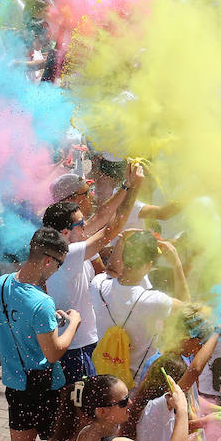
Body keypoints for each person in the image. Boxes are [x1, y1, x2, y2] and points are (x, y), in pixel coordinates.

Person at [0, 227, 80, 441]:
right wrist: (73, 322)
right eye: (59, 264)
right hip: (44, 388)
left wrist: (49, 322)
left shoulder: (1, 284)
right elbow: (53, 352)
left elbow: (19, 323)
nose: (58, 270)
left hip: (16, 385)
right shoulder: (42, 303)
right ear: (47, 260)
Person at [41, 163, 141, 382]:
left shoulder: (62, 243)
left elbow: (103, 216)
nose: (86, 225)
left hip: (79, 343)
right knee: (80, 410)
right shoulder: (67, 254)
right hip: (75, 349)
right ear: (66, 231)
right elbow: (111, 228)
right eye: (81, 223)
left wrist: (125, 186)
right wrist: (134, 188)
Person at [90, 230, 188, 386]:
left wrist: (121, 240)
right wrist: (176, 265)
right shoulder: (155, 301)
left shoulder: (98, 285)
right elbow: (187, 309)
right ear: (149, 265)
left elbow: (111, 271)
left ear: (123, 256)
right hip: (135, 387)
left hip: (102, 382)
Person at [56, 373, 188, 441]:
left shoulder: (85, 432)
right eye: (123, 402)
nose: (130, 403)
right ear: (102, 411)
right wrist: (182, 408)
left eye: (128, 396)